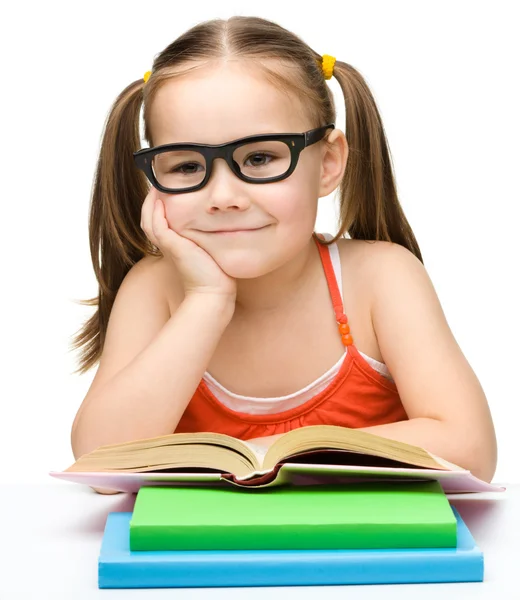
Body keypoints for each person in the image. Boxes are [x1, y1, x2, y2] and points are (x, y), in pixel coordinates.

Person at [69, 15, 497, 489]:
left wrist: (262, 457)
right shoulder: (156, 290)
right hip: (209, 558)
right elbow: (100, 464)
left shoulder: (381, 279)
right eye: (188, 165)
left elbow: (471, 448)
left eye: (259, 158)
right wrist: (207, 300)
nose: (223, 196)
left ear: (329, 162)